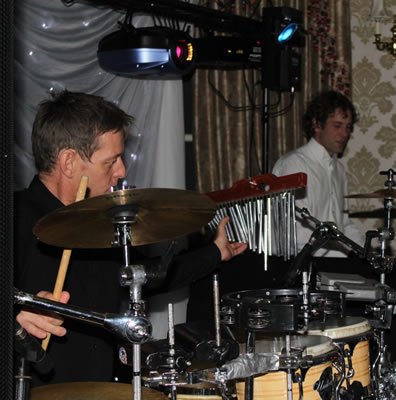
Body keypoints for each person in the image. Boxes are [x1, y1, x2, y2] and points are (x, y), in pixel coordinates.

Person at [14, 90, 247, 386]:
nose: (121, 171)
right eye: (111, 161)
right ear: (69, 162)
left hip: (100, 387)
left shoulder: (99, 222)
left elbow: (147, 277)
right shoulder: (13, 217)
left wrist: (215, 252)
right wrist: (16, 320)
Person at [272, 90, 363, 257]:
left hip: (330, 264)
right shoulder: (294, 164)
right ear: (316, 124)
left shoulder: (339, 170)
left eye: (348, 127)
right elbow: (292, 233)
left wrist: (367, 252)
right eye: (337, 126)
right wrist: (342, 254)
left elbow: (343, 224)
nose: (345, 134)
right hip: (300, 265)